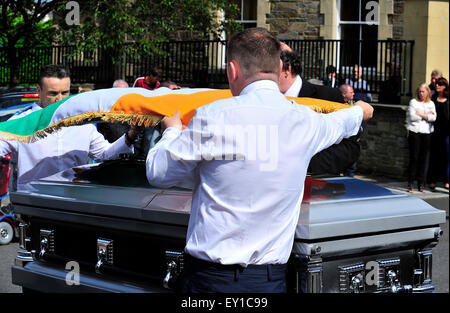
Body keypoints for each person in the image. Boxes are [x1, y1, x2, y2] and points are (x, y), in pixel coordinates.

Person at [146, 27, 373, 293]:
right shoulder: (305, 120)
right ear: (279, 66)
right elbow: (344, 121)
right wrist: (360, 110)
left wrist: (171, 130)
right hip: (270, 280)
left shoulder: (213, 116)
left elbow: (158, 172)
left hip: (211, 279)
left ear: (232, 70)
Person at [0, 64, 141, 189]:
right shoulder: (21, 122)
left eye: (65, 92)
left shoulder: (82, 123)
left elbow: (104, 154)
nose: (59, 99)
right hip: (35, 205)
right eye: (53, 93)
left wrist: (131, 135)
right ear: (39, 90)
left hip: (73, 203)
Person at [279, 42, 363, 176]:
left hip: (318, 187)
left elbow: (350, 148)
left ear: (286, 69)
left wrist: (299, 164)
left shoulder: (328, 96)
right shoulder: (255, 100)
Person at [406, 83, 436, 192]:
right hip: (415, 131)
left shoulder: (431, 103)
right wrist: (426, 115)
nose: (421, 93)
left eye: (423, 91)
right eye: (419, 91)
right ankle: (410, 183)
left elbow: (433, 117)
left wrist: (421, 114)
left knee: (423, 159)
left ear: (427, 92)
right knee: (414, 158)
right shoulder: (413, 102)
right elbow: (412, 117)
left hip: (426, 132)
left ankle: (421, 184)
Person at [428, 77, 449, 190]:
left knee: (445, 157)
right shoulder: (433, 99)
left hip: (445, 132)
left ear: (445, 86)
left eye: (440, 84)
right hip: (434, 132)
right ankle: (432, 180)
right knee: (434, 157)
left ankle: (446, 180)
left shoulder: (448, 100)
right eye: (436, 84)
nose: (437, 86)